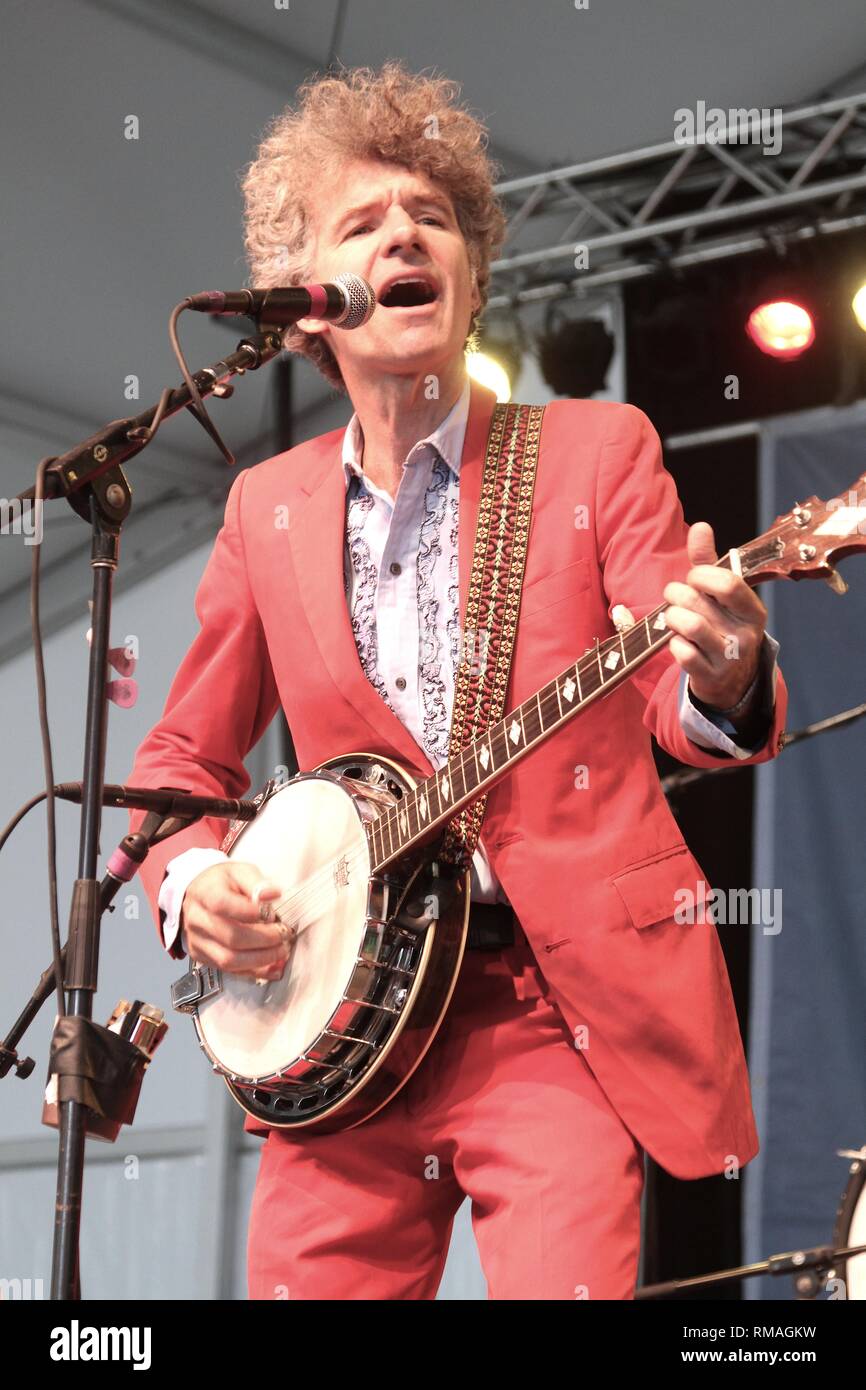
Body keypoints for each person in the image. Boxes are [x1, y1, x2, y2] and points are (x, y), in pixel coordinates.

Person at [128, 62, 788, 1301]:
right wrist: (196, 883)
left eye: (431, 216)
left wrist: (728, 666)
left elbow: (680, 703)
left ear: (472, 276)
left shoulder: (599, 449)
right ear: (309, 307)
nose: (404, 234)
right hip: (341, 1033)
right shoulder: (264, 511)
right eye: (364, 223)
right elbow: (179, 770)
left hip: (553, 1007)